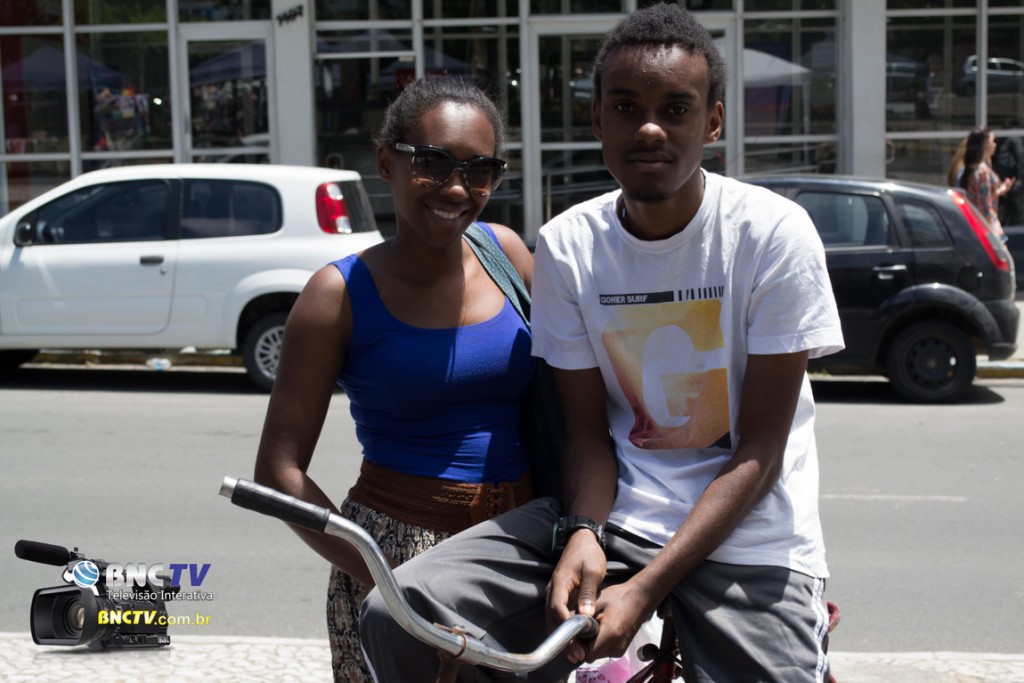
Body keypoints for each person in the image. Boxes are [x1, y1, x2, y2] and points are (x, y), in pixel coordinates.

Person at [359, 4, 845, 682]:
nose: (649, 127)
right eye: (625, 107)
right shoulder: (568, 245)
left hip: (751, 540)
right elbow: (587, 433)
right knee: (401, 612)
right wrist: (583, 530)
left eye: (675, 109)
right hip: (615, 522)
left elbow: (759, 453)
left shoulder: (772, 234)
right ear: (597, 120)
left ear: (712, 122)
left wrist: (645, 588)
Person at [252, 75, 535, 682]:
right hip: (398, 555)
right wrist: (386, 580)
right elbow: (278, 472)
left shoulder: (506, 254)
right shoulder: (338, 294)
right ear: (387, 163)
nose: (457, 187)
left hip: (519, 543)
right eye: (433, 163)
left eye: (480, 170)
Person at [960, 126, 1015, 229]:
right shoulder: (982, 172)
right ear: (985, 144)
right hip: (984, 227)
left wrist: (1000, 190)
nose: (995, 144)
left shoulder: (974, 168)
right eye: (992, 141)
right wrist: (993, 231)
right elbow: (984, 208)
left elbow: (982, 198)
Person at [992, 124, 1023, 226]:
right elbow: (1021, 157)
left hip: (1003, 175)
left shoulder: (1009, 138)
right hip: (1007, 176)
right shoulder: (1014, 137)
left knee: (1007, 204)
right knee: (1010, 203)